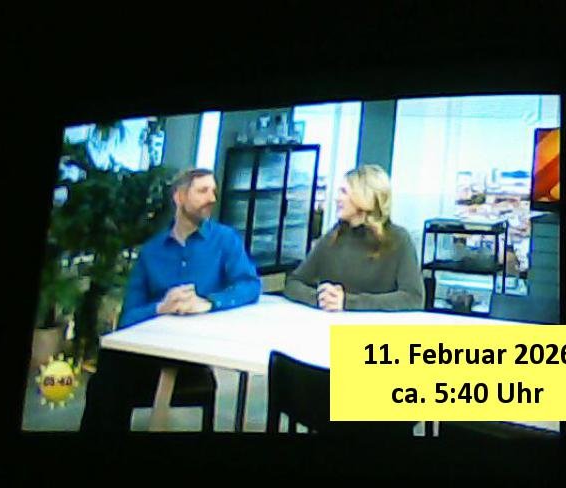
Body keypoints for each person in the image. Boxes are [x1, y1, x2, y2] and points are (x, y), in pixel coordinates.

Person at [80, 168, 261, 432]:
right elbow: (129, 317)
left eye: (213, 191)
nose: (212, 198)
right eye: (203, 191)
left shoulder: (225, 240)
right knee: (108, 373)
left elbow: (251, 285)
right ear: (179, 197)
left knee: (110, 380)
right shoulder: (151, 251)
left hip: (197, 349)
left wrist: (209, 302)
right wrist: (161, 307)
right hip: (151, 351)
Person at [284, 164, 424, 312]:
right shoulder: (334, 237)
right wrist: (321, 299)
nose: (337, 198)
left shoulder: (398, 240)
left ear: (364, 197)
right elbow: (293, 283)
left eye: (344, 192)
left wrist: (348, 302)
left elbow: (413, 298)